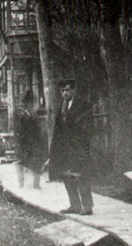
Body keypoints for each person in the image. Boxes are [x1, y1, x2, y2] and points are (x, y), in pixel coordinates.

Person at [49, 80, 94, 215]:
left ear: (73, 90)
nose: (65, 93)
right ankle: (75, 205)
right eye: (62, 90)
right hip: (64, 148)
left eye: (67, 90)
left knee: (81, 175)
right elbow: (58, 129)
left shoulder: (83, 105)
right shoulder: (61, 106)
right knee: (67, 176)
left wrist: (82, 143)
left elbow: (88, 127)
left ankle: (87, 206)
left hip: (78, 147)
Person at [14, 90, 47, 189]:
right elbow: (19, 130)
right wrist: (20, 143)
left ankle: (36, 183)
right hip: (24, 143)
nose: (31, 104)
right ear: (26, 103)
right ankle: (21, 183)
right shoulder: (21, 115)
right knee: (20, 162)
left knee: (36, 162)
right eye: (30, 102)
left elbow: (37, 129)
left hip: (34, 143)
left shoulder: (32, 114)